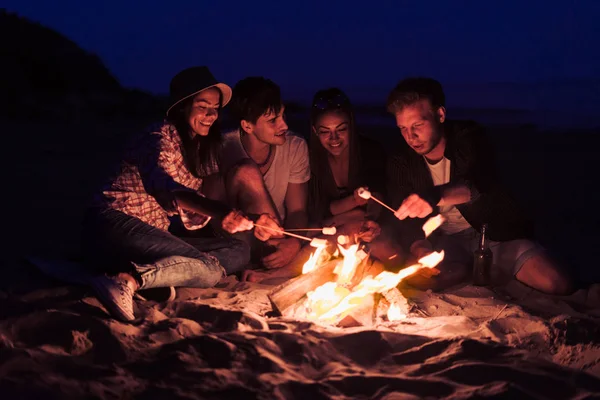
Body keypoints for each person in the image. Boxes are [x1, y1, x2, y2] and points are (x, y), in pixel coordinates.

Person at [82, 66, 280, 322]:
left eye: (216, 108)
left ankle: (160, 277)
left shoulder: (197, 148)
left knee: (238, 251)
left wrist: (251, 220)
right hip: (112, 223)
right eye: (202, 106)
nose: (211, 115)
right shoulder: (158, 136)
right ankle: (127, 280)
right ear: (182, 106)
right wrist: (222, 212)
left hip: (152, 233)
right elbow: (165, 186)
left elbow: (192, 209)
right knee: (209, 271)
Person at [385, 77, 573, 295]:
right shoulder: (401, 161)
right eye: (403, 128)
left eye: (418, 125)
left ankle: (481, 269)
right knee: (417, 280)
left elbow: (475, 185)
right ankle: (468, 271)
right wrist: (420, 247)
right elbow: (403, 218)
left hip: (494, 234)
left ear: (440, 115)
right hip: (446, 241)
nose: (411, 136)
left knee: (556, 283)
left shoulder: (468, 137)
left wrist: (434, 195)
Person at [218, 77, 310, 271]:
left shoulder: (295, 146)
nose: (284, 125)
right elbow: (215, 210)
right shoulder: (222, 146)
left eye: (283, 115)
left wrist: (292, 243)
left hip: (277, 235)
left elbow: (297, 211)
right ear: (247, 126)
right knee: (247, 172)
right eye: (272, 121)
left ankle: (280, 253)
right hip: (236, 237)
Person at [308, 88, 399, 266]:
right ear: (315, 131)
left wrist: (369, 219)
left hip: (365, 225)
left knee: (388, 252)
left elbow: (377, 196)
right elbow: (321, 210)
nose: (334, 138)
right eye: (325, 132)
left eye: (341, 129)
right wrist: (354, 202)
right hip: (328, 225)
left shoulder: (371, 150)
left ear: (351, 125)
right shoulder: (310, 158)